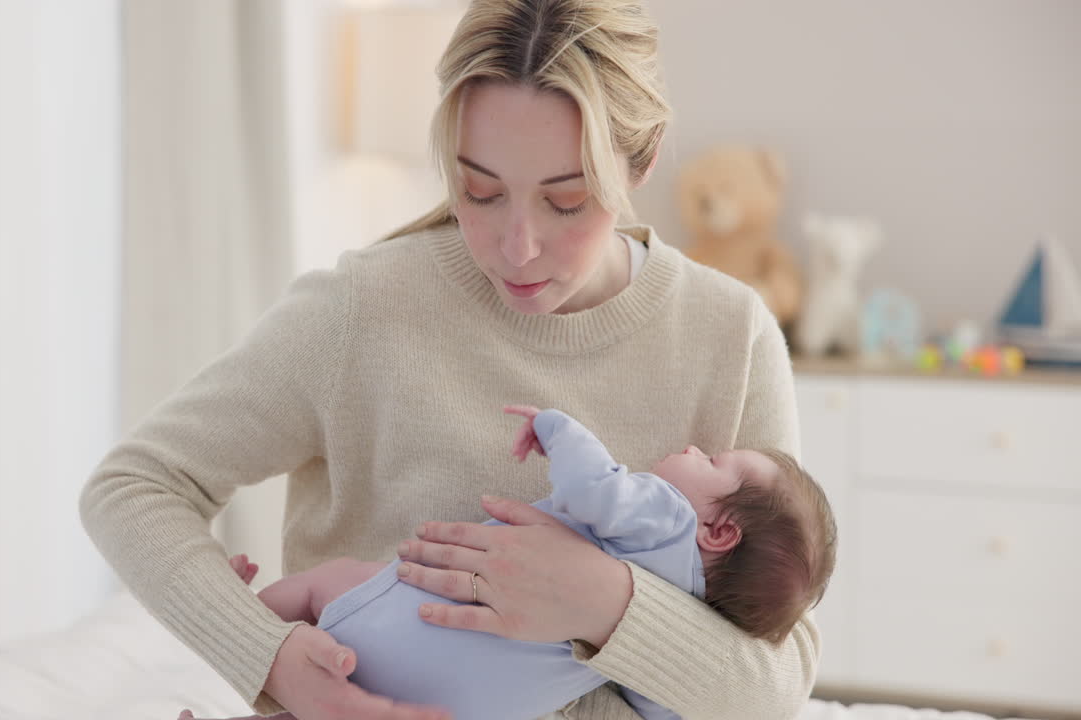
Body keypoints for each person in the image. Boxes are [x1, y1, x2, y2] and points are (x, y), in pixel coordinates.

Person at [79, 2, 821, 719]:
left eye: (566, 200)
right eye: (480, 190)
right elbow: (133, 485)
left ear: (644, 159)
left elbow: (776, 683)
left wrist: (602, 598)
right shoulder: (365, 308)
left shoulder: (730, 334)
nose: (518, 246)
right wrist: (265, 656)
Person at [184, 405, 836, 720]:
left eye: (716, 463)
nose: (697, 449)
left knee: (327, 585)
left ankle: (249, 614)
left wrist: (556, 427)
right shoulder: (698, 616)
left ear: (719, 531)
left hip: (412, 612)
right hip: (456, 703)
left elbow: (593, 485)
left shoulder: (664, 514)